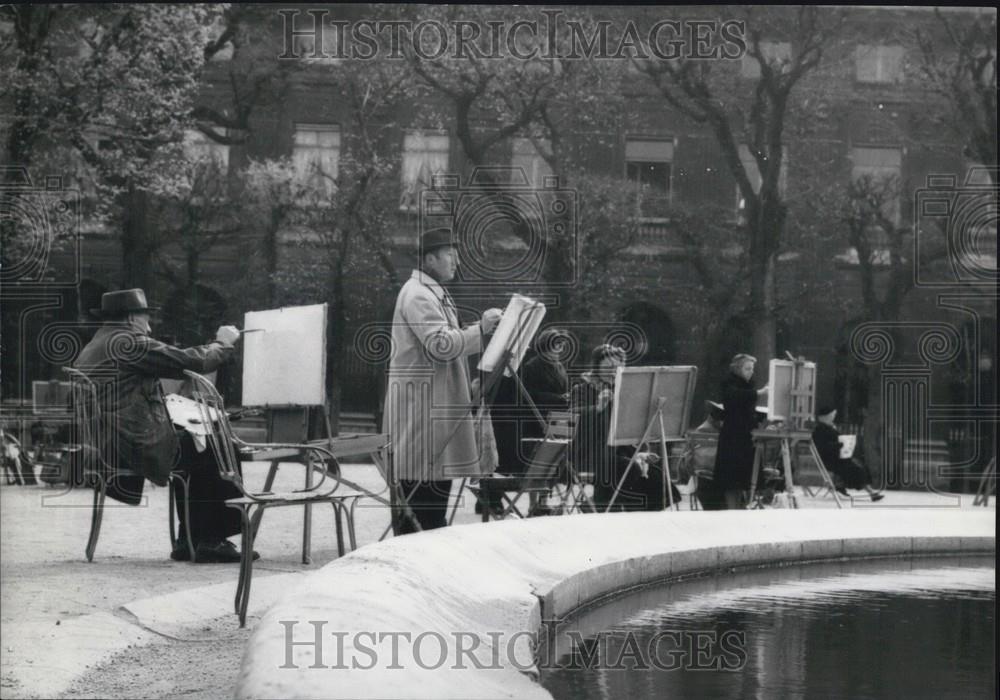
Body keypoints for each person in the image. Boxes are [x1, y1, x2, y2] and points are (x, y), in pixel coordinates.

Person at [73, 288, 252, 563]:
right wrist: (223, 343)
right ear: (133, 317)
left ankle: (189, 540)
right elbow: (192, 361)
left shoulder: (98, 343)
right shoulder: (129, 342)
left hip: (109, 441)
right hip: (129, 443)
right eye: (146, 316)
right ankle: (209, 540)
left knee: (194, 442)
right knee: (214, 444)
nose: (150, 324)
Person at [383, 228, 502, 534]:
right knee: (423, 504)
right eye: (451, 255)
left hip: (431, 412)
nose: (457, 262)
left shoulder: (430, 291)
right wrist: (482, 329)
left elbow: (447, 338)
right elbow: (440, 344)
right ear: (430, 258)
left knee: (430, 502)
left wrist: (478, 329)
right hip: (423, 413)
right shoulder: (419, 294)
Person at [570, 344, 679, 512]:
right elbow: (573, 417)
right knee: (628, 469)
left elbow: (635, 427)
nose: (613, 371)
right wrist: (597, 408)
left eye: (618, 367)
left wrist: (641, 452)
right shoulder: (583, 389)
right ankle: (603, 508)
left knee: (656, 476)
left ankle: (637, 517)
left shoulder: (626, 391)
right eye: (608, 366)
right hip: (590, 453)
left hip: (621, 453)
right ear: (597, 367)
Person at [714, 353, 769, 510]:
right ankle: (732, 508)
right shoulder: (728, 382)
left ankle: (743, 506)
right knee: (732, 477)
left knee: (745, 475)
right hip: (733, 435)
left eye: (752, 369)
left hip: (746, 434)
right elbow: (735, 397)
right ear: (738, 369)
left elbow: (747, 406)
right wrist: (759, 393)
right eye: (747, 368)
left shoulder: (749, 383)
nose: (751, 372)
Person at [812, 406, 884, 501]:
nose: (833, 417)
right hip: (829, 459)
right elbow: (823, 446)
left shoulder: (829, 427)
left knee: (860, 465)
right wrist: (840, 444)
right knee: (855, 468)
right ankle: (870, 492)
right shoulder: (819, 429)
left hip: (837, 457)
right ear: (825, 417)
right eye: (832, 415)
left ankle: (841, 485)